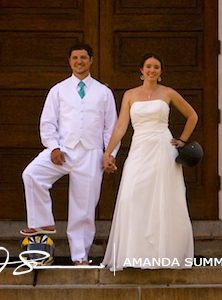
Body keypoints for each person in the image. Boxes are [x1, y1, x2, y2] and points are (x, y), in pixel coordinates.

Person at [20, 43, 118, 266]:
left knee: (83, 208)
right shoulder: (58, 90)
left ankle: (80, 256)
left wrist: (109, 154)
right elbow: (47, 122)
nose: (79, 62)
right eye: (75, 58)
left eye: (83, 58)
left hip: (91, 154)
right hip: (63, 150)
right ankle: (42, 222)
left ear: (91, 60)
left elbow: (110, 128)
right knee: (32, 174)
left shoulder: (104, 92)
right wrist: (53, 147)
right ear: (70, 61)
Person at [101, 52, 198, 271]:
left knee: (164, 198)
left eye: (156, 67)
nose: (152, 70)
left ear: (160, 72)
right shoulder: (130, 95)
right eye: (148, 66)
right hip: (139, 148)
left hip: (163, 149)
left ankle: (164, 253)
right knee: (132, 196)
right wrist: (108, 152)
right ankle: (134, 253)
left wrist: (182, 140)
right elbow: (121, 126)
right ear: (141, 70)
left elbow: (193, 116)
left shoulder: (169, 93)